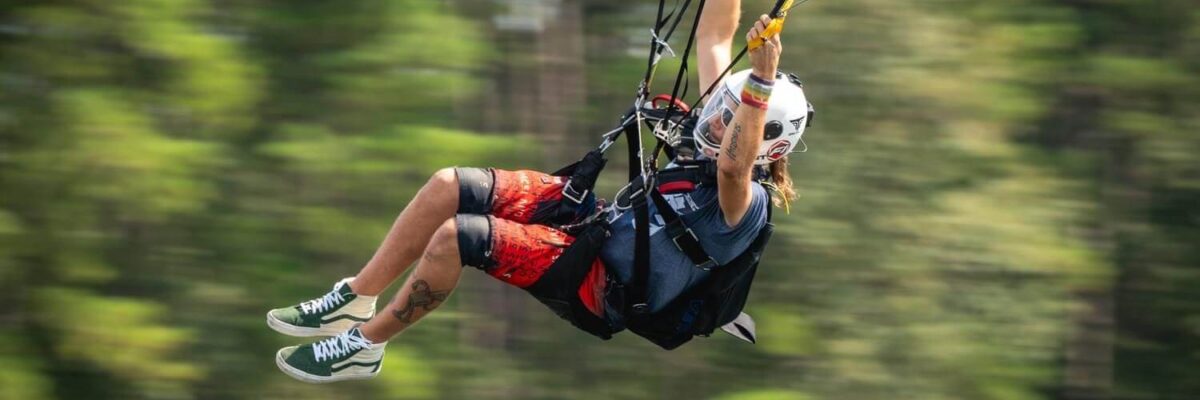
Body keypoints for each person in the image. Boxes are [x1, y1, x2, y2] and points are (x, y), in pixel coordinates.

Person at [267, 0, 810, 383]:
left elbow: (735, 169)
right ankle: (356, 296)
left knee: (458, 237)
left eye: (730, 121)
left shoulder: (744, 206)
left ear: (770, 147)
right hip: (594, 224)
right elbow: (716, 34)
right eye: (719, 113)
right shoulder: (714, 137)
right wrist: (746, 67)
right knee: (449, 186)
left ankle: (366, 347)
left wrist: (761, 82)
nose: (713, 124)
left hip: (601, 285)